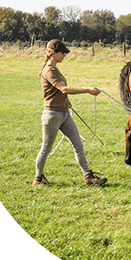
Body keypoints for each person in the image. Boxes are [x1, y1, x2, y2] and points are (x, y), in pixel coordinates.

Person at [33, 39, 107, 186]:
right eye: (62, 53)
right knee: (46, 148)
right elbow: (64, 89)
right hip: (52, 115)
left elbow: (57, 92)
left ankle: (88, 177)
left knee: (78, 145)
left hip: (64, 114)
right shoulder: (49, 69)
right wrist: (87, 90)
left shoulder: (55, 68)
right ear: (53, 53)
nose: (64, 56)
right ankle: (38, 178)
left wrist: (65, 102)